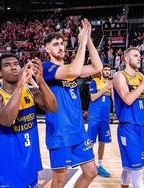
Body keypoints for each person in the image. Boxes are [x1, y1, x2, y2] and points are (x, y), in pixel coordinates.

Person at [42, 18, 103, 188]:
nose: (61, 46)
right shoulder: (46, 67)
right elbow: (74, 70)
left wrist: (88, 39)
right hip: (60, 132)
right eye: (55, 44)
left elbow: (97, 67)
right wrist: (81, 43)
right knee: (60, 180)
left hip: (78, 130)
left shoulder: (70, 68)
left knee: (91, 172)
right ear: (47, 48)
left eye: (62, 43)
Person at [0, 53, 57, 187]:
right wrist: (20, 85)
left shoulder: (31, 91)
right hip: (7, 168)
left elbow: (53, 107)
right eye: (7, 65)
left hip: (30, 163)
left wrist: (40, 80)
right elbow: (6, 120)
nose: (13, 67)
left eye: (16, 64)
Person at [113, 47, 144, 188]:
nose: (139, 58)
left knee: (129, 167)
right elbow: (128, 99)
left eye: (140, 55)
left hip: (141, 126)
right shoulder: (120, 76)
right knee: (137, 170)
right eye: (135, 55)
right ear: (126, 58)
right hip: (128, 127)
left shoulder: (139, 76)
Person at [87, 64, 113, 177]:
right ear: (101, 71)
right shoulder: (95, 81)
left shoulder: (110, 84)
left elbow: (114, 100)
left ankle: (100, 165)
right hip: (94, 117)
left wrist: (112, 90)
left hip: (105, 118)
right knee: (90, 142)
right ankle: (88, 165)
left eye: (108, 70)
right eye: (105, 70)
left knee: (102, 142)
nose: (107, 72)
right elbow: (93, 97)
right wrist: (105, 88)